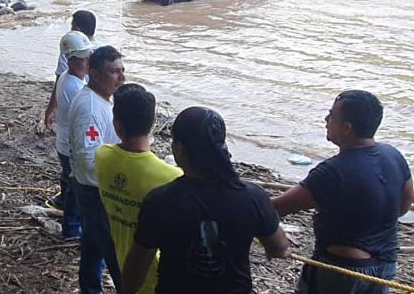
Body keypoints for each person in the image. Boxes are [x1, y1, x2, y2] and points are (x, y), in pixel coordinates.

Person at [122, 107, 290, 294]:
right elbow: (278, 247)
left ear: (178, 147)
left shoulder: (159, 201)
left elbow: (137, 266)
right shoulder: (253, 197)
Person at [272, 90, 414, 294]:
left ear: (347, 128)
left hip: (344, 270)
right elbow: (405, 205)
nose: (326, 119)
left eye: (331, 115)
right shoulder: (393, 155)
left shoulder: (332, 171)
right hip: (386, 263)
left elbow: (277, 208)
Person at [94, 83, 182, 294]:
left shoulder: (102, 157)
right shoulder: (171, 176)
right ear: (152, 125)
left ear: (117, 126)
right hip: (157, 271)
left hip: (123, 262)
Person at [67, 45, 126, 294]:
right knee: (114, 253)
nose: (122, 77)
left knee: (92, 245)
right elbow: (88, 159)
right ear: (95, 73)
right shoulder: (90, 110)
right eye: (114, 72)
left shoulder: (100, 99)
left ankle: (90, 289)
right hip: (95, 191)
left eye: (122, 70)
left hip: (91, 189)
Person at [53, 30, 95, 240]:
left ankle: (70, 222)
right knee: (76, 189)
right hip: (69, 146)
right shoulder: (74, 87)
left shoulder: (69, 78)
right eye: (82, 59)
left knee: (70, 183)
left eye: (88, 57)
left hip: (64, 143)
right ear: (70, 60)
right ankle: (71, 229)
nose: (87, 61)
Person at [45, 10, 97, 129]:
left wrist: (50, 109)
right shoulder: (102, 49)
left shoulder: (70, 52)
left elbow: (58, 81)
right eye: (85, 58)